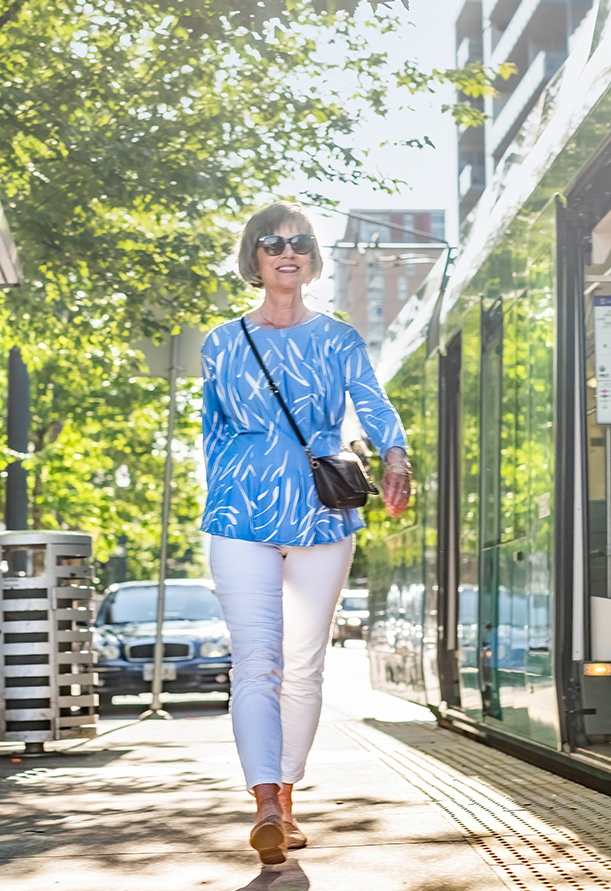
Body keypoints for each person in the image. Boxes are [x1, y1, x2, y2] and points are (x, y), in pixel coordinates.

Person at [200, 202, 412, 865]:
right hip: (239, 514)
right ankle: (264, 804)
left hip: (321, 511)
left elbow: (373, 402)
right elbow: (211, 434)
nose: (286, 251)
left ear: (312, 259)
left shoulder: (339, 339)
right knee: (255, 663)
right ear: (254, 258)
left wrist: (396, 454)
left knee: (304, 667)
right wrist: (222, 498)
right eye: (272, 242)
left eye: (299, 243)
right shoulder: (221, 342)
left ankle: (285, 800)